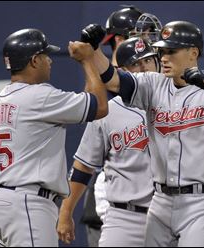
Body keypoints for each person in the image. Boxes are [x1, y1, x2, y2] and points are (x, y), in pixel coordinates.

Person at [73, 20, 204, 247]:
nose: (164, 58)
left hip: (201, 203)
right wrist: (95, 50)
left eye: (171, 51)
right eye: (161, 51)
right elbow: (112, 79)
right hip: (160, 201)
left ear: (193, 53)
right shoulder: (153, 84)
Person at [0, 28, 108, 247]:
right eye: (45, 55)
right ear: (33, 60)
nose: (50, 60)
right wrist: (88, 61)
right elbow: (100, 107)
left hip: (0, 204)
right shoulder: (38, 97)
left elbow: (88, 104)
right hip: (27, 203)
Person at [57, 37, 161, 246]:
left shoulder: (172, 103)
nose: (142, 68)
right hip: (124, 216)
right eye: (134, 63)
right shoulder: (108, 112)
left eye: (148, 60)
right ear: (120, 71)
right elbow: (83, 166)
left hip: (166, 213)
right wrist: (65, 211)